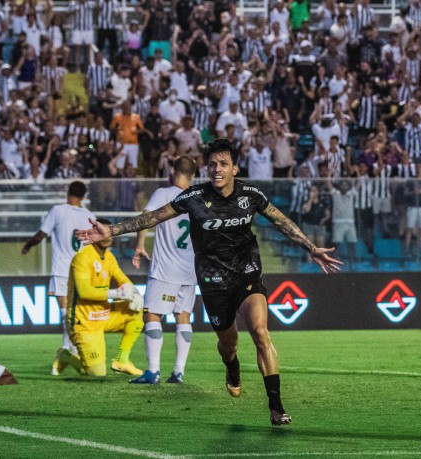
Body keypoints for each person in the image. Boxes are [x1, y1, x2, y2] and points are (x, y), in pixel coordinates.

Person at [75, 139, 341, 426]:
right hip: (213, 282)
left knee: (261, 333)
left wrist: (311, 247)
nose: (216, 169)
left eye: (223, 164)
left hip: (246, 273)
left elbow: (281, 221)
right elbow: (152, 218)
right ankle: (232, 366)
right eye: (212, 164)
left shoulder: (250, 194)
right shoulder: (193, 197)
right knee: (229, 344)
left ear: (235, 168)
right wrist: (111, 230)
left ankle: (276, 406)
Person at [130, 156, 199, 384]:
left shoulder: (163, 193)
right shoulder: (198, 199)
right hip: (190, 270)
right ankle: (178, 372)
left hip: (165, 270)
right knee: (183, 316)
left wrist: (139, 246)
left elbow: (145, 219)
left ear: (173, 171)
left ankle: (153, 371)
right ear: (193, 176)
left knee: (151, 314)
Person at [21, 181, 96, 375]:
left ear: (67, 192)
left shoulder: (58, 210)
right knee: (76, 313)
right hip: (83, 271)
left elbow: (41, 234)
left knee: (65, 312)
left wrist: (28, 245)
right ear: (83, 196)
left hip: (63, 270)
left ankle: (67, 350)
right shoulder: (89, 216)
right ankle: (72, 350)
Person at [55, 218, 145, 377]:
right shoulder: (82, 257)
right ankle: (65, 356)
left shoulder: (109, 258)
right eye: (100, 231)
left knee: (136, 311)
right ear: (92, 234)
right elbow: (84, 292)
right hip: (83, 321)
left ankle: (121, 361)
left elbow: (123, 279)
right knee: (96, 373)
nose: (107, 235)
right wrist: (117, 293)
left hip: (104, 315)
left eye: (109, 231)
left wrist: (135, 293)